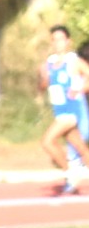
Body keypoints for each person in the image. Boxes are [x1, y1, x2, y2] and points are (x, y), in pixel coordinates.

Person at [39, 25, 88, 196]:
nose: (57, 43)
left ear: (68, 41)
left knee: (47, 141)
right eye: (54, 40)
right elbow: (42, 87)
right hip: (59, 111)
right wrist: (44, 79)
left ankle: (70, 174)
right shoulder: (49, 64)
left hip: (72, 111)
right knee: (81, 148)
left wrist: (79, 88)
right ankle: (72, 175)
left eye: (61, 39)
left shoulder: (73, 61)